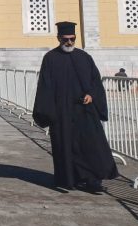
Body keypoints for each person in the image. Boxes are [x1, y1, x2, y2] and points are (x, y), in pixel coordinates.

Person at [32, 21, 118, 194]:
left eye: (72, 39)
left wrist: (91, 95)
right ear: (58, 38)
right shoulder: (50, 58)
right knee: (66, 147)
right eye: (66, 39)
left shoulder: (84, 57)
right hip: (62, 113)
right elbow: (45, 87)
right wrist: (48, 114)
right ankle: (69, 180)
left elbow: (95, 80)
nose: (69, 43)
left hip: (85, 112)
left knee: (93, 146)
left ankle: (93, 181)